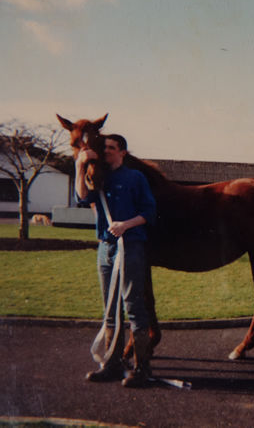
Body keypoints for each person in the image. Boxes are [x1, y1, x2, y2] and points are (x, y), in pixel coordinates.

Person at [76, 134, 156, 388]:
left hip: (131, 247)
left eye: (111, 148)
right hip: (105, 249)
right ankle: (111, 364)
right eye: (104, 149)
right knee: (109, 309)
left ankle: (142, 367)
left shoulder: (135, 178)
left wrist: (125, 225)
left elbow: (149, 212)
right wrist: (79, 167)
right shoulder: (99, 178)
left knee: (133, 305)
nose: (107, 152)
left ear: (123, 152)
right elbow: (82, 198)